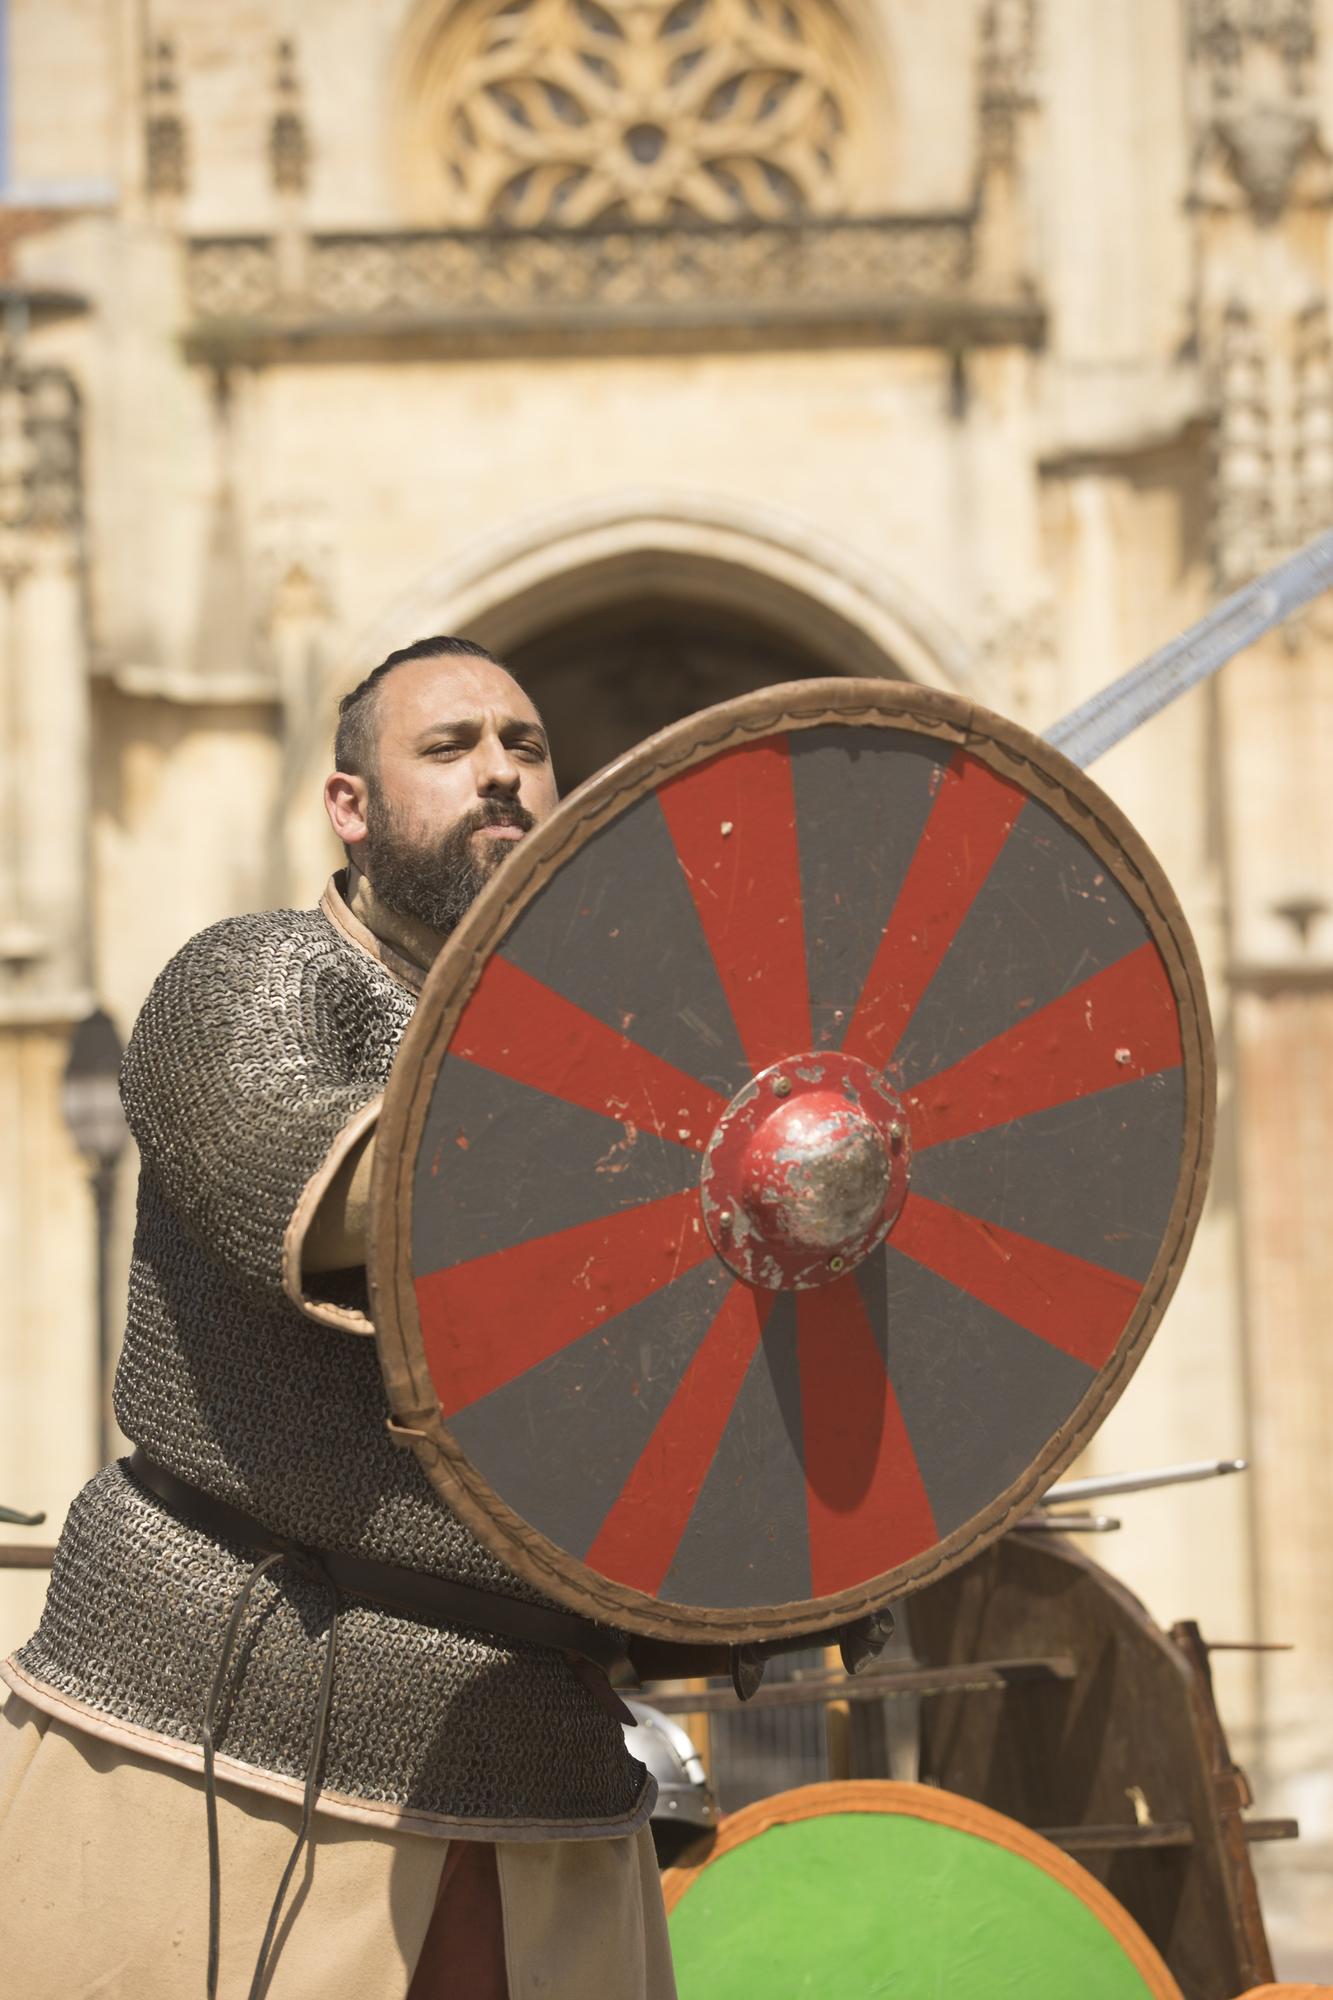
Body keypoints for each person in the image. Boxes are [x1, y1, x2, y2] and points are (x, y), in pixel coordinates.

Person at [0, 637, 676, 2000]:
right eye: (448, 748)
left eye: (525, 746)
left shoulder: (620, 1058)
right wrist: (639, 1117)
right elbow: (365, 1197)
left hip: (542, 1751)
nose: (500, 770)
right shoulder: (248, 988)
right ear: (349, 810)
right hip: (213, 1726)